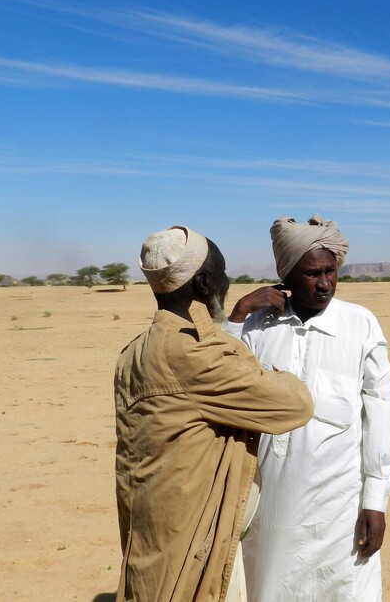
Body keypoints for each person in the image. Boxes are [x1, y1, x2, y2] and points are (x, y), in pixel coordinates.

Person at [113, 225, 314, 602]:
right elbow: (295, 404)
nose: (227, 281)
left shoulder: (135, 351)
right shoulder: (194, 356)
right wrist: (245, 347)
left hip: (154, 533)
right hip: (194, 543)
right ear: (204, 282)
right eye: (222, 273)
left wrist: (229, 321)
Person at [226, 215, 390, 601]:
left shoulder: (360, 325)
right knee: (269, 586)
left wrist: (375, 501)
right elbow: (222, 385)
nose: (324, 283)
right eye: (311, 274)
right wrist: (236, 317)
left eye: (330, 271)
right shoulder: (256, 327)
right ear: (286, 275)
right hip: (271, 502)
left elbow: (380, 413)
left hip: (339, 504)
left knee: (340, 588)